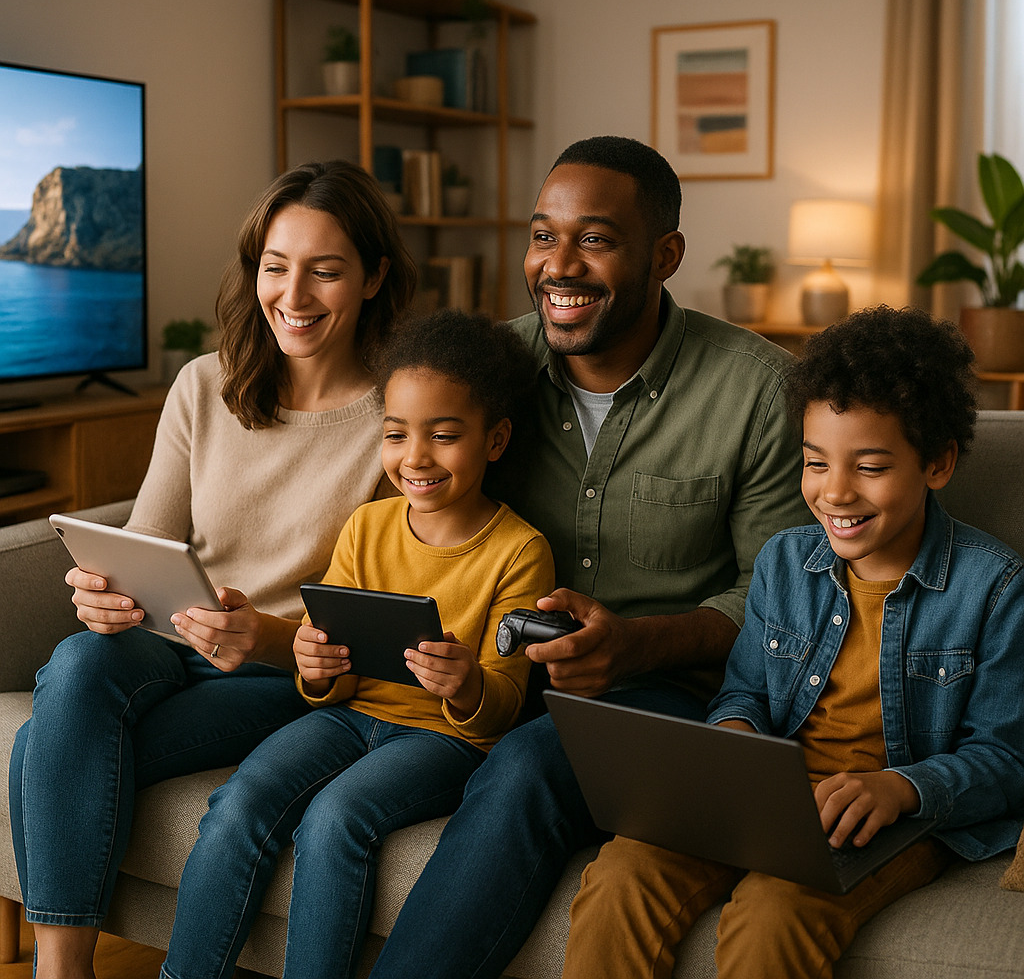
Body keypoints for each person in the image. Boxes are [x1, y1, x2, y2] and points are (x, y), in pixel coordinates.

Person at [366, 136, 810, 979]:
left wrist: (635, 646)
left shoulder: (756, 390)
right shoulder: (485, 374)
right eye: (543, 236)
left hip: (665, 694)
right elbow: (402, 491)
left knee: (528, 766)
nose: (558, 266)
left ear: (665, 255)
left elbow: (778, 597)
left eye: (595, 239)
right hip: (486, 676)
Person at [8, 159, 416, 979]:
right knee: (80, 659)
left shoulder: (399, 419)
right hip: (169, 642)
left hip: (286, 674)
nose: (292, 295)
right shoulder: (205, 384)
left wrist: (261, 636)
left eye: (325, 271)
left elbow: (371, 632)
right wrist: (102, 594)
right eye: (275, 266)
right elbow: (149, 541)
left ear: (374, 278)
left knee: (45, 747)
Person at [560, 305, 1024, 979]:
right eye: (815, 463)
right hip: (766, 800)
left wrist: (899, 788)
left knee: (773, 914)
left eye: (870, 467)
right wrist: (736, 736)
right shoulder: (784, 560)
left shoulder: (995, 587)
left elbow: (1005, 759)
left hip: (894, 818)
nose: (835, 492)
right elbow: (744, 691)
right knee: (622, 874)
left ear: (937, 463)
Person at [157, 308, 555, 979]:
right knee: (239, 802)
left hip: (442, 739)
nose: (415, 457)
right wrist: (315, 668)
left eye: (444, 435)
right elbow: (329, 669)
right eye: (396, 434)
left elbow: (503, 708)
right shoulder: (366, 527)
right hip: (349, 717)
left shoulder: (520, 552)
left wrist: (466, 684)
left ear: (495, 439)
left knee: (335, 819)